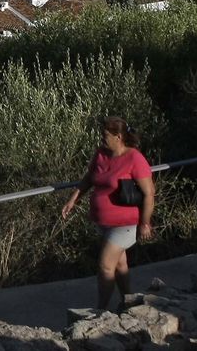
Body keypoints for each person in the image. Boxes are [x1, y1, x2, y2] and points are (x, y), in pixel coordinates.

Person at [61, 116, 155, 311]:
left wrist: (145, 222)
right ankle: (130, 303)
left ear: (118, 136)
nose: (101, 139)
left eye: (105, 135)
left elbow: (149, 193)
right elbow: (89, 178)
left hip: (126, 223)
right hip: (103, 222)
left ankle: (101, 310)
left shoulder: (134, 158)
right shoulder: (101, 154)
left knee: (105, 266)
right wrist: (73, 199)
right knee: (120, 266)